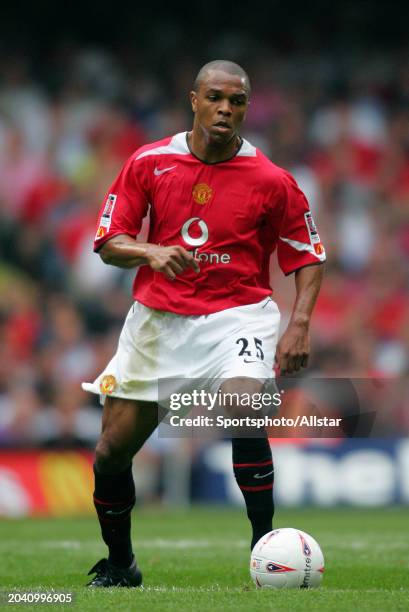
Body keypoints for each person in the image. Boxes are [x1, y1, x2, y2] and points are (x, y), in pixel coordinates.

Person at [82, 59, 325, 587]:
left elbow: (307, 255)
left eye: (237, 101)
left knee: (243, 407)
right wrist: (150, 251)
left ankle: (265, 550)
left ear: (246, 108)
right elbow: (108, 242)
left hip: (236, 314)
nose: (225, 109)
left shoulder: (271, 179)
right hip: (158, 322)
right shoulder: (149, 163)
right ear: (194, 99)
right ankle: (121, 565)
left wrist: (299, 323)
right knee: (109, 454)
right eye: (215, 97)